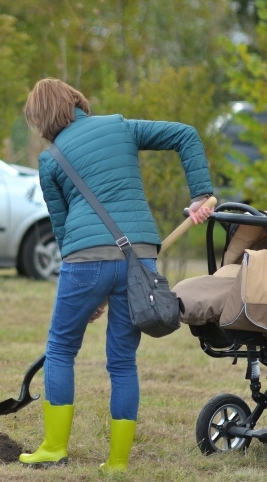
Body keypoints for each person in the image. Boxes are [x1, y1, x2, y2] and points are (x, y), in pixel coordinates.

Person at [19, 78, 213, 472]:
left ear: (41, 119)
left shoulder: (50, 160)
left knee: (60, 349)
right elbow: (186, 135)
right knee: (123, 361)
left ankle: (54, 448)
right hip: (139, 258)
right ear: (76, 101)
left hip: (84, 261)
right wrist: (200, 194)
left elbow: (62, 229)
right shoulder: (119, 126)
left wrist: (85, 292)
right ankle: (117, 463)